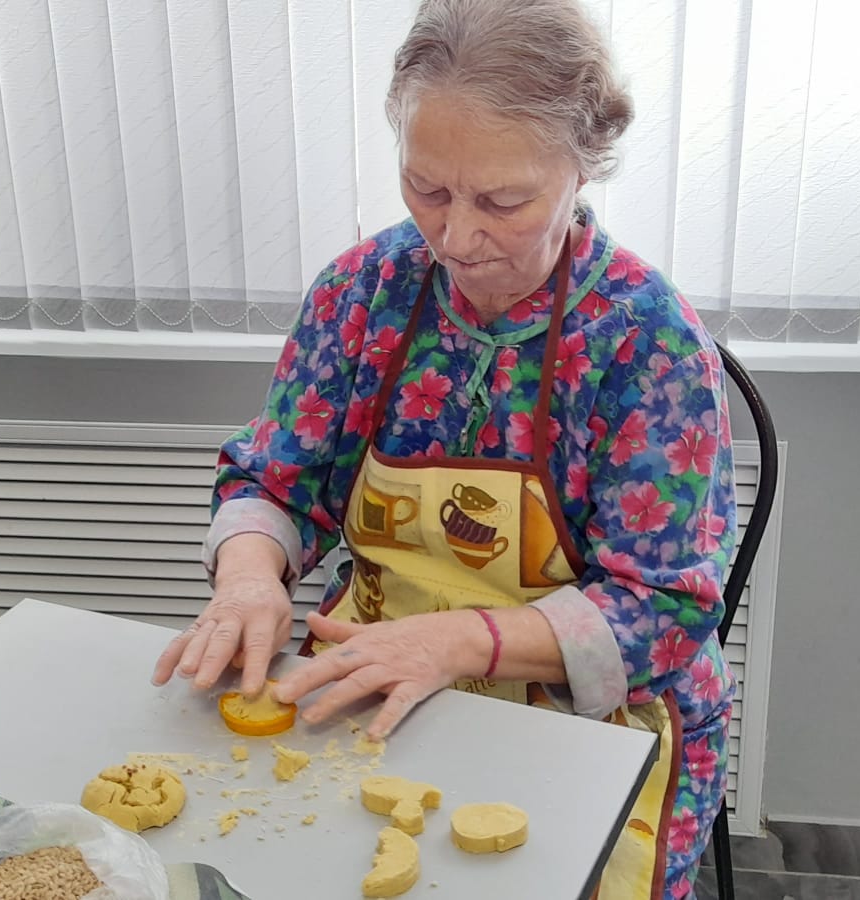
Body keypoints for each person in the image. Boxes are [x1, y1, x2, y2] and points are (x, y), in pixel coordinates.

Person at [153, 0, 736, 896]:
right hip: (377, 690)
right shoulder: (364, 291)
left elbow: (665, 606)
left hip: (589, 729)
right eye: (426, 188)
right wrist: (246, 578)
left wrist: (460, 643)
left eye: (502, 201)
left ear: (583, 164)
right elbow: (275, 480)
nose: (455, 238)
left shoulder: (647, 342)